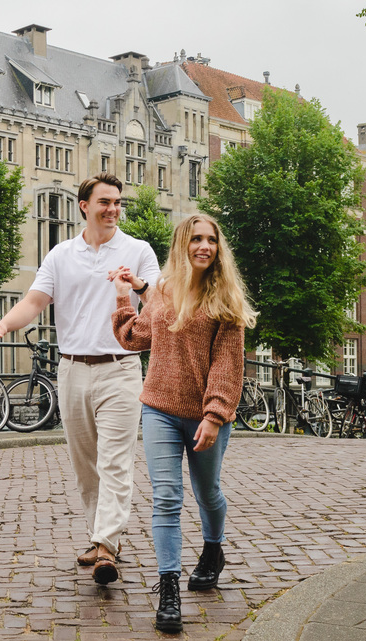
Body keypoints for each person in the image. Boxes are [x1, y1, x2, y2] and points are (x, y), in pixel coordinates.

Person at [0, 173, 159, 585]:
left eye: (117, 202)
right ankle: (101, 536)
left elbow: (161, 301)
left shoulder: (138, 250)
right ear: (85, 206)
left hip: (120, 369)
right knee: (85, 464)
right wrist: (4, 325)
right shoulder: (61, 254)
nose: (113, 209)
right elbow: (34, 300)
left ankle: (106, 545)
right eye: (104, 202)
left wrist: (139, 285)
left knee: (115, 460)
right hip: (72, 369)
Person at [110, 214, 256, 634]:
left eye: (211, 240)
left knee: (206, 491)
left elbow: (229, 366)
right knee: (167, 497)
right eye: (196, 239)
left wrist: (213, 415)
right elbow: (135, 338)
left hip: (204, 416)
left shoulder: (225, 297)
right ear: (182, 244)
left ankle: (213, 550)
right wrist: (124, 298)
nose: (204, 246)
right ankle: (169, 587)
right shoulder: (163, 289)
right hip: (158, 408)